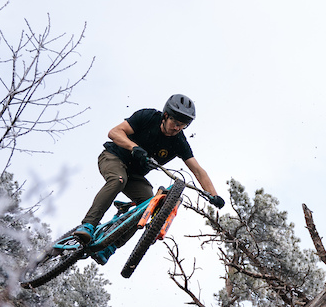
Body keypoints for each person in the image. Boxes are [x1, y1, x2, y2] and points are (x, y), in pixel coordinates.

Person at [73, 94, 223, 264]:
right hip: (114, 157)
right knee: (117, 180)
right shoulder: (147, 117)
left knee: (148, 205)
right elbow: (114, 132)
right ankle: (88, 225)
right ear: (166, 116)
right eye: (175, 123)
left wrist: (213, 195)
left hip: (135, 176)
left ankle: (110, 246)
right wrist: (133, 147)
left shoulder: (179, 141)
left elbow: (198, 171)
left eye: (183, 125)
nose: (177, 128)